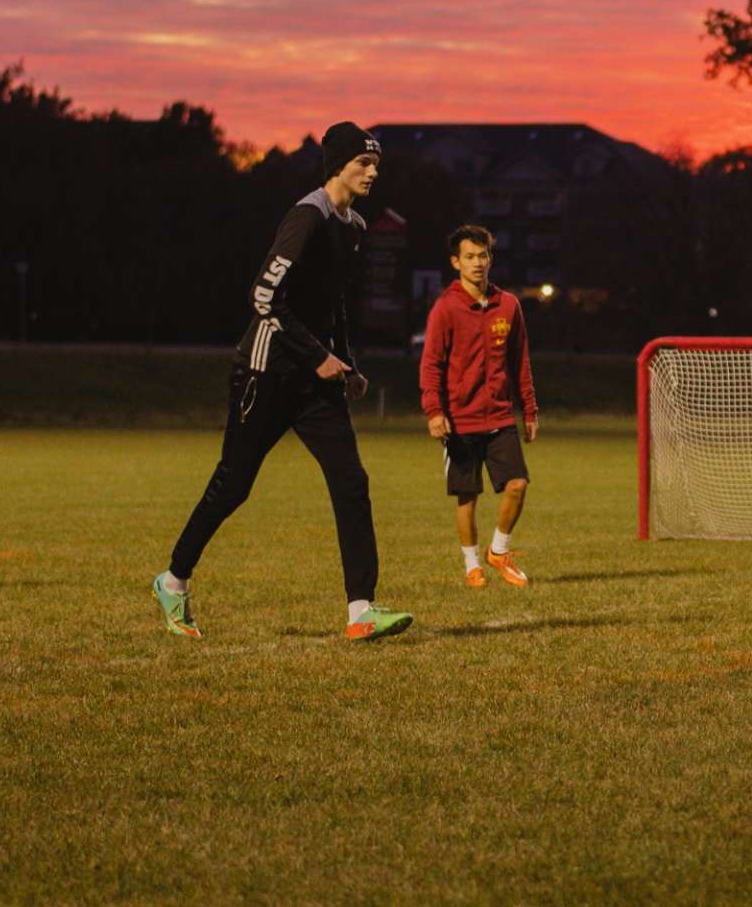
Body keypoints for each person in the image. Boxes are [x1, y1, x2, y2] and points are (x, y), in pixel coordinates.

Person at [153, 122, 413, 641]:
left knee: (351, 481)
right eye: (364, 163)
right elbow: (263, 297)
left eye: (376, 164)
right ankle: (173, 580)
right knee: (234, 486)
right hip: (265, 374)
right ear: (338, 163)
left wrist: (347, 362)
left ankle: (360, 610)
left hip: (315, 382)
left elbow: (332, 302)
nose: (373, 172)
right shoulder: (307, 216)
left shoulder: (354, 226)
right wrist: (317, 355)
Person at [419, 224, 539, 588]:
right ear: (456, 262)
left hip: (500, 417)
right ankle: (472, 564)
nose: (477, 263)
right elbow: (431, 364)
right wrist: (434, 411)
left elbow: (520, 361)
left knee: (517, 485)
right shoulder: (445, 308)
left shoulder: (509, 304)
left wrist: (529, 410)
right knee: (467, 498)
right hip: (459, 420)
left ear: (491, 258)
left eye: (482, 255)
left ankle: (499, 551)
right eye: (469, 256)